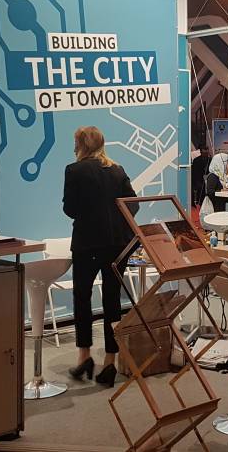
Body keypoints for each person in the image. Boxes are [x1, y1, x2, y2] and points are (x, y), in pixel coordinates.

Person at [62, 126, 138, 388]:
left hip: (87, 243)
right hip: (117, 244)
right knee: (112, 301)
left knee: (82, 298)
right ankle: (110, 361)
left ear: (81, 145)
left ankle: (84, 356)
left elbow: (70, 209)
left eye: (75, 142)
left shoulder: (74, 170)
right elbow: (132, 204)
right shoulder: (117, 170)